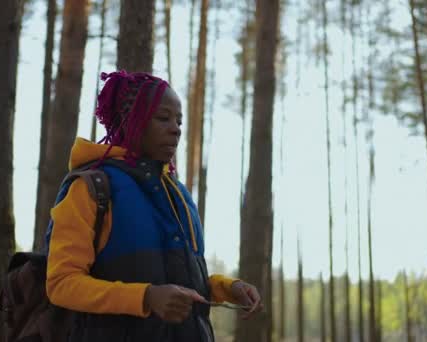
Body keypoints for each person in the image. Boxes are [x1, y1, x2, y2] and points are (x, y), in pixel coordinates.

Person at [45, 70, 263, 341]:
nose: (176, 129)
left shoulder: (178, 194)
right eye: (163, 118)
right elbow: (61, 284)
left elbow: (179, 276)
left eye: (179, 121)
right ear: (130, 121)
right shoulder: (91, 188)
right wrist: (146, 297)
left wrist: (228, 288)